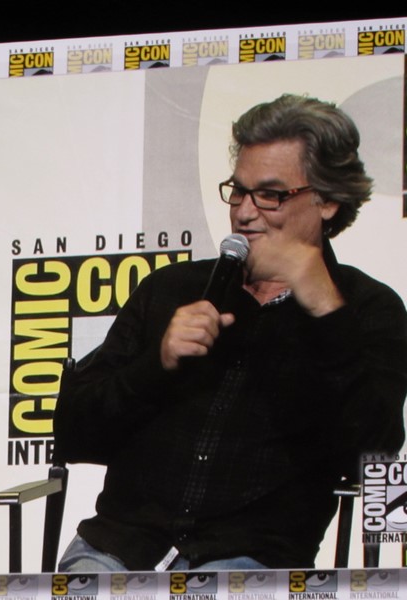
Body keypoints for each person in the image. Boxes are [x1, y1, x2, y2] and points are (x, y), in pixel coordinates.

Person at [53, 94, 407, 571]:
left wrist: (325, 310)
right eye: (238, 192)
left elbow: (376, 455)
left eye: (270, 194)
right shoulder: (170, 289)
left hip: (248, 562)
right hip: (117, 550)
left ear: (326, 201)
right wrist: (156, 364)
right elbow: (73, 435)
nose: (244, 212)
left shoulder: (366, 309)